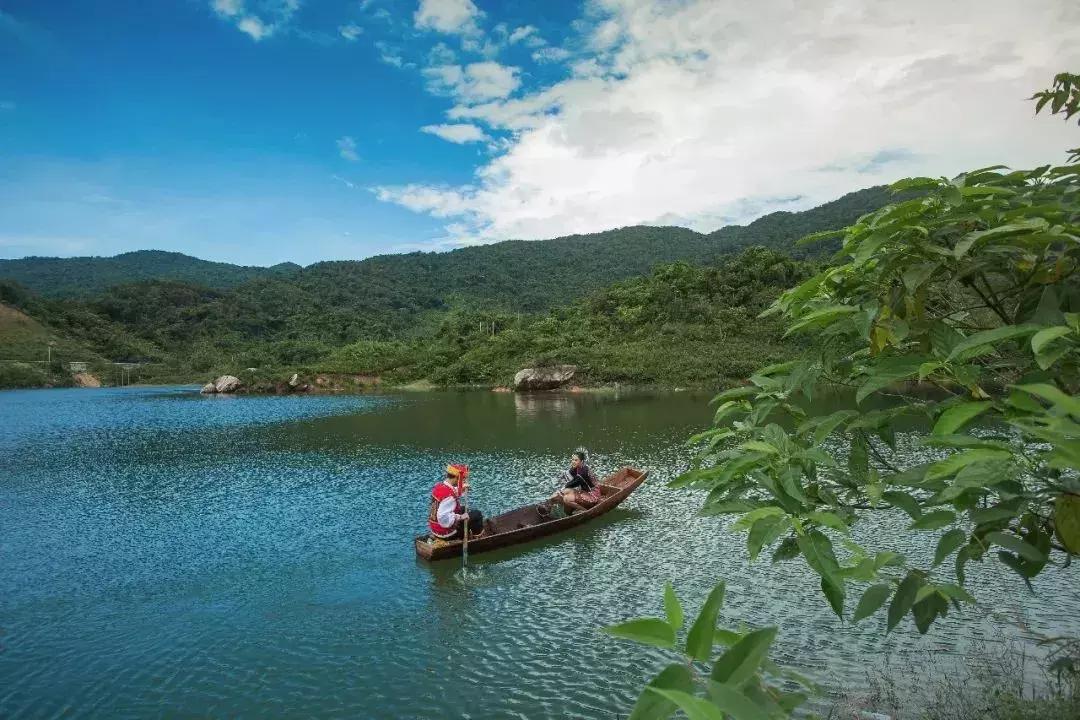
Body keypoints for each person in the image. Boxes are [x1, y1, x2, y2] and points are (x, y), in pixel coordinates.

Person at [428, 463, 486, 540]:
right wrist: (460, 517)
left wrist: (461, 489)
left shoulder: (439, 486)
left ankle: (468, 531)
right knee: (477, 514)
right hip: (446, 533)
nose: (463, 481)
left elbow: (451, 492)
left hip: (435, 529)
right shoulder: (450, 496)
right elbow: (443, 518)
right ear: (456, 478)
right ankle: (478, 537)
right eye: (462, 479)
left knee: (463, 509)